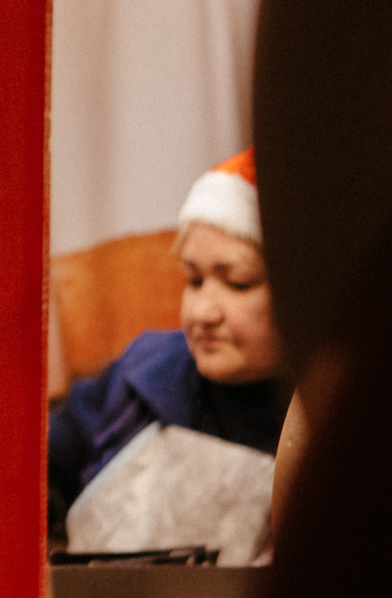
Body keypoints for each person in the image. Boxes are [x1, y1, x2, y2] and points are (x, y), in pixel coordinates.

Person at [48, 149, 290, 553]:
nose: (202, 312)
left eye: (238, 283)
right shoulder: (140, 376)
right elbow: (29, 479)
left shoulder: (333, 422)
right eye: (193, 280)